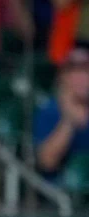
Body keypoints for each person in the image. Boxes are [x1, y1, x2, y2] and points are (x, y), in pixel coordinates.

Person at [34, 48, 89, 180]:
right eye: (74, 72)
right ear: (63, 77)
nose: (81, 78)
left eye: (85, 71)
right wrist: (69, 121)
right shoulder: (50, 110)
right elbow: (47, 161)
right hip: (62, 190)